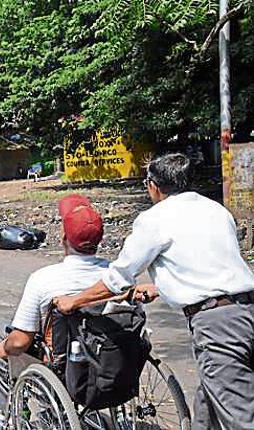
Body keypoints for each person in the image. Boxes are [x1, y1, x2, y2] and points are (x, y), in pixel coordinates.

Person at [54, 153, 254, 430]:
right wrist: (164, 287)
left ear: (153, 185)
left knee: (240, 415)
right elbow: (210, 265)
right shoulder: (216, 210)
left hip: (216, 324)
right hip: (246, 310)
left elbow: (118, 278)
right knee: (208, 406)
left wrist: (73, 301)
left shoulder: (155, 219)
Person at [0, 194, 109, 429]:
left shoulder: (44, 279)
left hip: (61, 359)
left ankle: (5, 414)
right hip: (105, 354)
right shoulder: (116, 276)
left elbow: (21, 342)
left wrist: (7, 347)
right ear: (100, 241)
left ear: (64, 240)